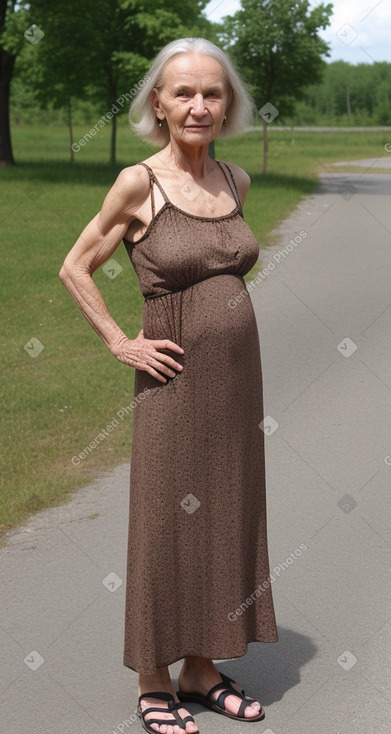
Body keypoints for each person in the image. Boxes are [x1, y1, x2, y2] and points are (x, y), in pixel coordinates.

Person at [60, 37, 278, 734]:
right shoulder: (138, 183)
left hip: (238, 388)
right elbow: (75, 266)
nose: (197, 105)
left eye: (211, 93)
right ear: (156, 101)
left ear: (228, 104)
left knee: (224, 514)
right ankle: (154, 678)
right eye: (182, 92)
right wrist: (120, 342)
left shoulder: (235, 180)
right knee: (165, 521)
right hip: (174, 387)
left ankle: (202, 667)